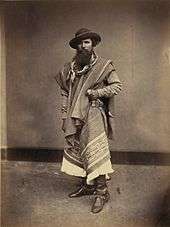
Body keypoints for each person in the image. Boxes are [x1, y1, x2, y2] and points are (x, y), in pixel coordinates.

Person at [55, 28, 122, 213]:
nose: (83, 46)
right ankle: (88, 186)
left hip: (93, 113)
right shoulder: (70, 68)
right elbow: (64, 92)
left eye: (86, 42)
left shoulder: (103, 66)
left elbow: (117, 86)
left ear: (93, 44)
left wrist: (96, 93)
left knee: (94, 149)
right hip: (74, 117)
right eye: (79, 43)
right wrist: (63, 116)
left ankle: (102, 192)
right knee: (79, 149)